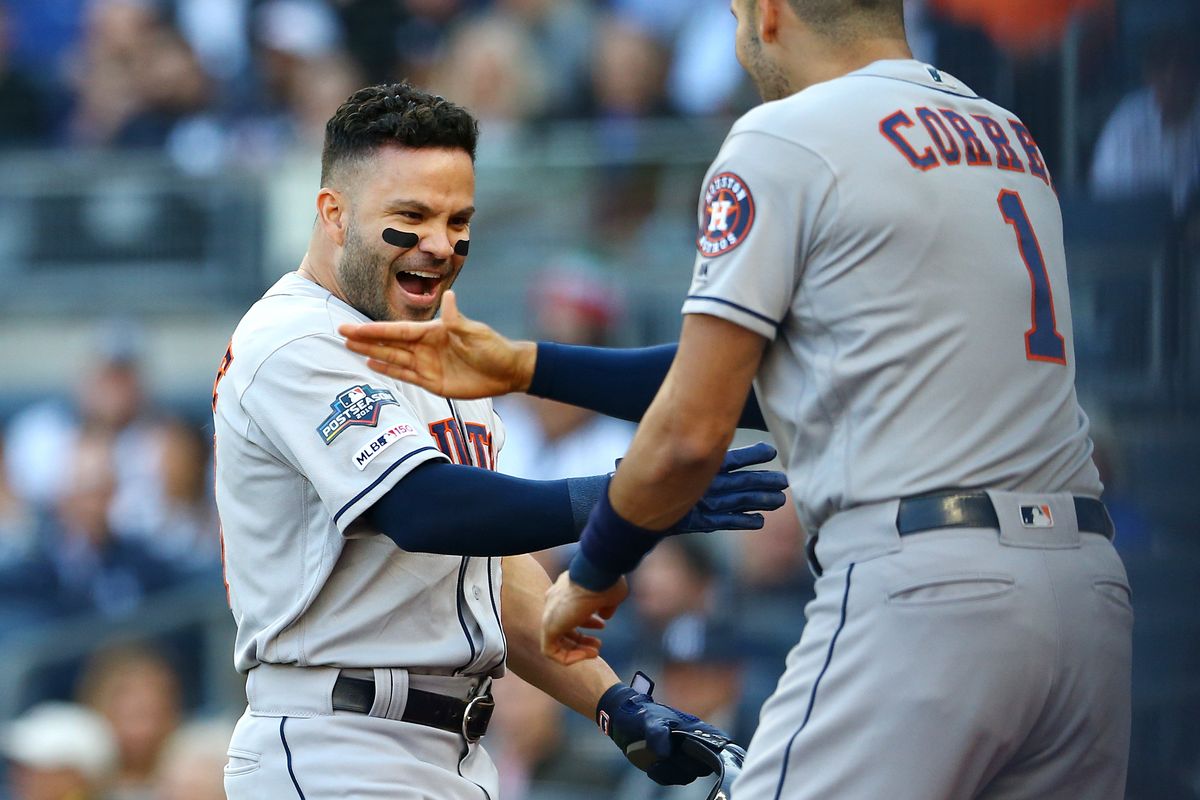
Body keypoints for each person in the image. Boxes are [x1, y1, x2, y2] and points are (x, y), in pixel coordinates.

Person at [339, 1, 1133, 797]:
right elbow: (784, 379)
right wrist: (527, 367)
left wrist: (596, 571)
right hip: (1085, 593)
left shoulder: (787, 134)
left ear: (771, 10)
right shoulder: (1007, 137)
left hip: (933, 584)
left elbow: (693, 427)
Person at [212, 82, 786, 799]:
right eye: (412, 216)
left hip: (454, 751)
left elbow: (494, 567)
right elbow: (424, 509)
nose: (440, 244)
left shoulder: (440, 347)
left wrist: (613, 705)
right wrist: (636, 496)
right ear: (334, 213)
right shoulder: (293, 336)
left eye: (459, 220)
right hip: (337, 741)